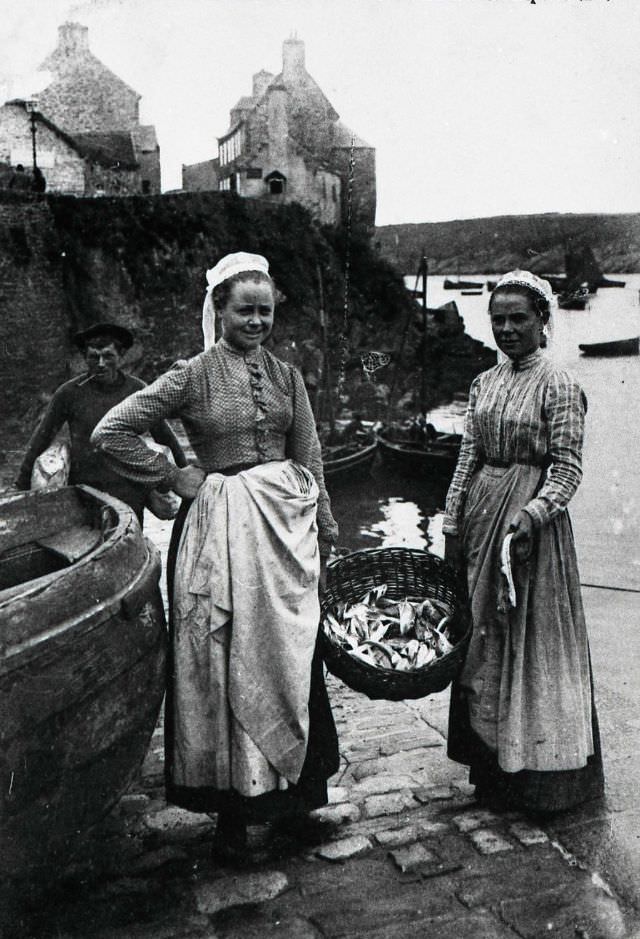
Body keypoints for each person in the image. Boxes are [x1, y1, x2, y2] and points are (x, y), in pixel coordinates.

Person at [91, 252, 340, 863]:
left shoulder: (287, 377)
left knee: (290, 653)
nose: (256, 321)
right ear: (219, 311)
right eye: (243, 310)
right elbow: (111, 431)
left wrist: (327, 526)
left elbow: (308, 451)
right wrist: (173, 474)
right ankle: (233, 818)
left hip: (282, 531)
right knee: (222, 657)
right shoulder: (192, 374)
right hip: (219, 530)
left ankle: (294, 804)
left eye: (265, 311)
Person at [443, 269, 605, 816]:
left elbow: (567, 469)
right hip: (483, 514)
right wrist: (451, 524)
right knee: (483, 635)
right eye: (498, 320)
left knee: (530, 638)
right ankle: (492, 767)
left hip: (531, 525)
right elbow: (467, 458)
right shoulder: (483, 383)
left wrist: (533, 515)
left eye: (519, 319)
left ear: (542, 322)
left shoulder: (559, 383)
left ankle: (539, 775)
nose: (507, 329)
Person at [16, 322, 186, 523]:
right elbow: (43, 435)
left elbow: (163, 434)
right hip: (85, 490)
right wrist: (22, 483)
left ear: (120, 356)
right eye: (94, 357)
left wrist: (184, 474)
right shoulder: (69, 393)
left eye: (108, 356)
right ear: (85, 358)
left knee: (128, 539)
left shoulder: (136, 390)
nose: (101, 363)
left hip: (129, 487)